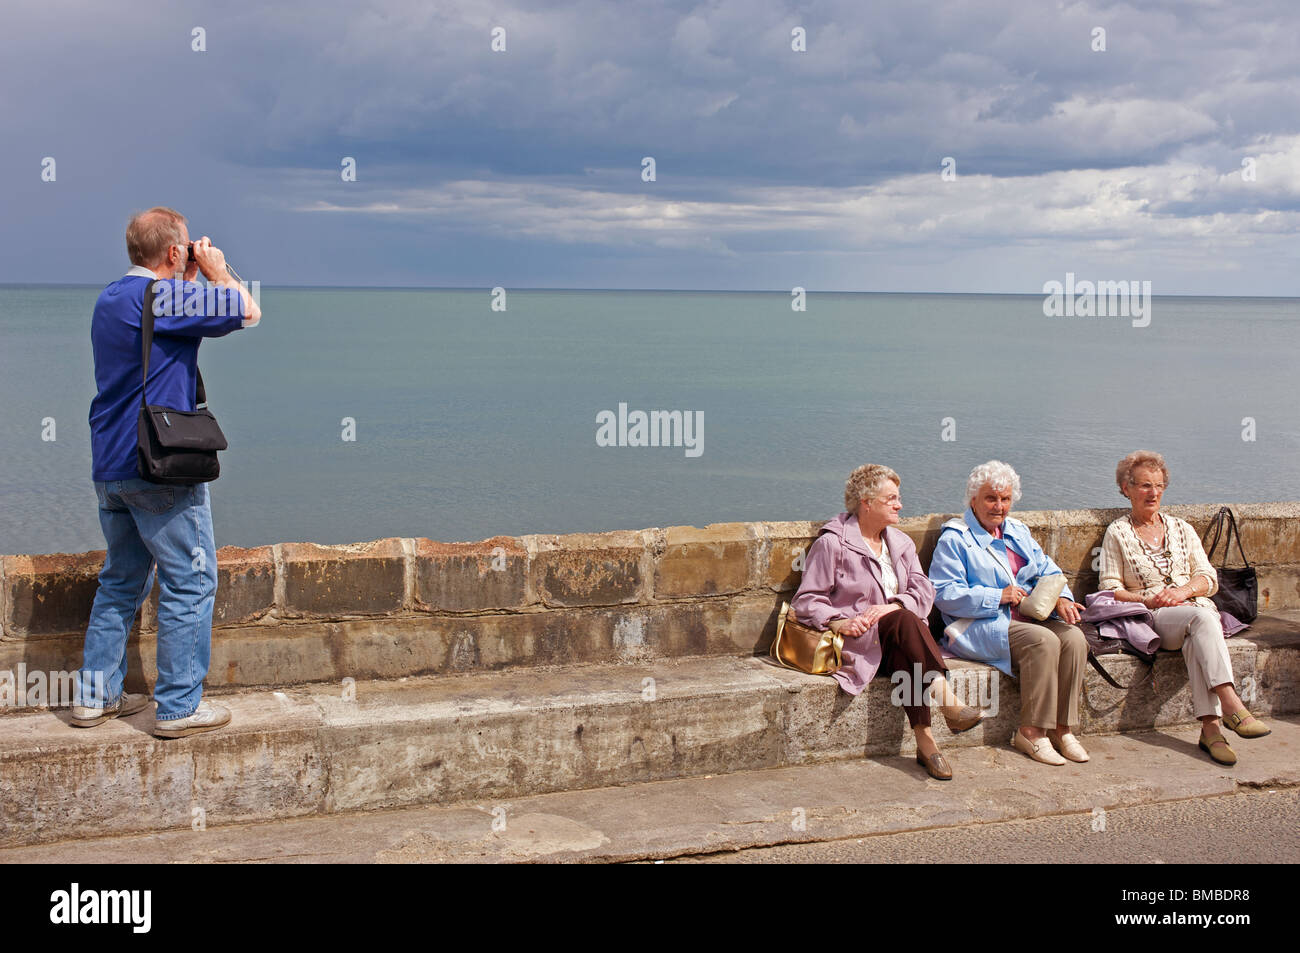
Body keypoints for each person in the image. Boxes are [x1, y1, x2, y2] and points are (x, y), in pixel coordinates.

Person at [73, 207, 261, 738]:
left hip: (110, 463)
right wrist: (219, 269)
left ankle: (96, 696)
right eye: (187, 249)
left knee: (121, 581)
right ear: (174, 252)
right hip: (158, 466)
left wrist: (189, 277)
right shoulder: (168, 297)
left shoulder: (110, 299)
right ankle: (178, 707)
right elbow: (248, 312)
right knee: (191, 581)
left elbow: (155, 338)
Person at [792, 464, 986, 781]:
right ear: (866, 502)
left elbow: (924, 589)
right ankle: (949, 708)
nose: (900, 505)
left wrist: (891, 606)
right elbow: (806, 600)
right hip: (858, 643)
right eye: (892, 498)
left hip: (900, 641)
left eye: (898, 498)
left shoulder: (900, 543)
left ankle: (926, 742)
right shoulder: (833, 544)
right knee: (905, 625)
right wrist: (839, 622)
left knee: (904, 627)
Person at [1099, 451, 1270, 765]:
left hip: (1194, 612)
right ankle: (1232, 703)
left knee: (1200, 627)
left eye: (1159, 486)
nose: (1153, 493)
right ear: (1127, 488)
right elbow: (1109, 590)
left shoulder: (1182, 529)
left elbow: (1208, 578)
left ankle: (1211, 729)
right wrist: (1147, 600)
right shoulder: (1118, 533)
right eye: (1145, 486)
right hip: (1153, 617)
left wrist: (1183, 590)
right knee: (1203, 619)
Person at [928, 461, 1089, 766]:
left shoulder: (1018, 530)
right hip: (978, 625)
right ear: (973, 499)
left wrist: (1063, 599)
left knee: (1074, 639)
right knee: (1043, 641)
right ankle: (1031, 732)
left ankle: (1062, 729)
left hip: (1025, 618)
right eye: (991, 498)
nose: (999, 506)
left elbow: (1049, 569)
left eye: (1005, 499)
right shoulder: (956, 538)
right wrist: (996, 596)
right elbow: (943, 594)